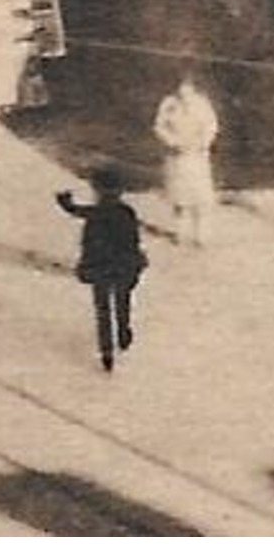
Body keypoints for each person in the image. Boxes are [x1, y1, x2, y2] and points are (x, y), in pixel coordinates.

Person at [57, 167, 147, 372]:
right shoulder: (126, 212)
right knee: (123, 302)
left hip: (100, 267)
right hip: (124, 265)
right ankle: (123, 332)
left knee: (103, 309)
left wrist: (65, 202)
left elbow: (75, 211)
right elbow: (133, 241)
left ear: (97, 189)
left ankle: (106, 352)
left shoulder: (96, 213)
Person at [153, 74, 220, 246]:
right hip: (177, 157)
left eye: (187, 88)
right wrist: (172, 142)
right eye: (180, 89)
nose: (183, 92)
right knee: (180, 198)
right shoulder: (169, 104)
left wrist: (202, 143)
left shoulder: (202, 104)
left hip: (197, 157)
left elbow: (211, 126)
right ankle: (181, 233)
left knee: (201, 198)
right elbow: (159, 126)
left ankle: (202, 235)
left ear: (193, 88)